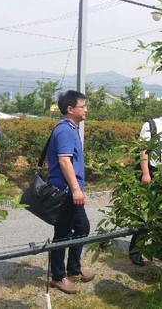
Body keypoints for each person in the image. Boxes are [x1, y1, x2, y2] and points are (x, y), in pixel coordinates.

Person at [47, 90, 95, 294]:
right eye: (82, 106)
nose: (85, 110)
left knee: (82, 227)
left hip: (71, 190)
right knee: (63, 233)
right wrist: (76, 189)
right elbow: (64, 161)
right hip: (66, 191)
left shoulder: (71, 128)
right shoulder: (65, 130)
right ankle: (58, 276)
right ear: (70, 109)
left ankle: (74, 270)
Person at [129, 95, 162, 267]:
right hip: (152, 172)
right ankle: (135, 250)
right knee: (147, 212)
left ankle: (160, 250)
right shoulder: (151, 125)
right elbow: (143, 149)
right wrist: (145, 174)